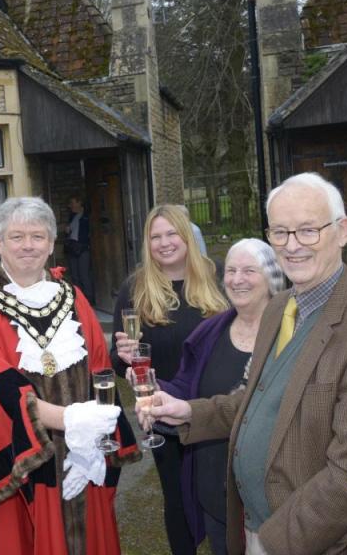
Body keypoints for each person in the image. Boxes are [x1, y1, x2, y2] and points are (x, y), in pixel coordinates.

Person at [149, 172, 347, 555]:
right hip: (252, 528)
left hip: (304, 542)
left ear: (342, 231)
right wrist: (189, 412)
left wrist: (273, 542)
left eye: (308, 230)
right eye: (280, 233)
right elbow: (261, 401)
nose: (292, 246)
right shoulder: (279, 307)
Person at [0, 196, 139, 555]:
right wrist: (72, 420)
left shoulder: (73, 296)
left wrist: (94, 445)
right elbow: (0, 387)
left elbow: (100, 371)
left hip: (83, 456)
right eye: (16, 236)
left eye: (37, 236)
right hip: (27, 464)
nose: (27, 246)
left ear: (51, 243)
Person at [110, 203, 228, 555]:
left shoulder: (219, 276)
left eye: (171, 233)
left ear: (187, 236)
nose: (164, 243)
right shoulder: (134, 289)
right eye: (155, 236)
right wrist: (127, 361)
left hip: (216, 408)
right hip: (163, 411)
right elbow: (118, 359)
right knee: (177, 500)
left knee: (221, 495)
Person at [159, 239, 284, 555]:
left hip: (269, 493)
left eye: (248, 270)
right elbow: (186, 387)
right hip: (215, 489)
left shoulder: (289, 334)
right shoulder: (210, 332)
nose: (237, 279)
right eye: (230, 270)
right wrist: (156, 391)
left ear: (271, 277)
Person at [64, 196, 95, 304]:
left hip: (83, 247)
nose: (70, 205)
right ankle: (78, 300)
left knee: (84, 274)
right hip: (73, 247)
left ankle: (89, 300)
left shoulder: (87, 215)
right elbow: (69, 231)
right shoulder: (72, 216)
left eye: (72, 202)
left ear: (79, 202)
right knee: (75, 276)